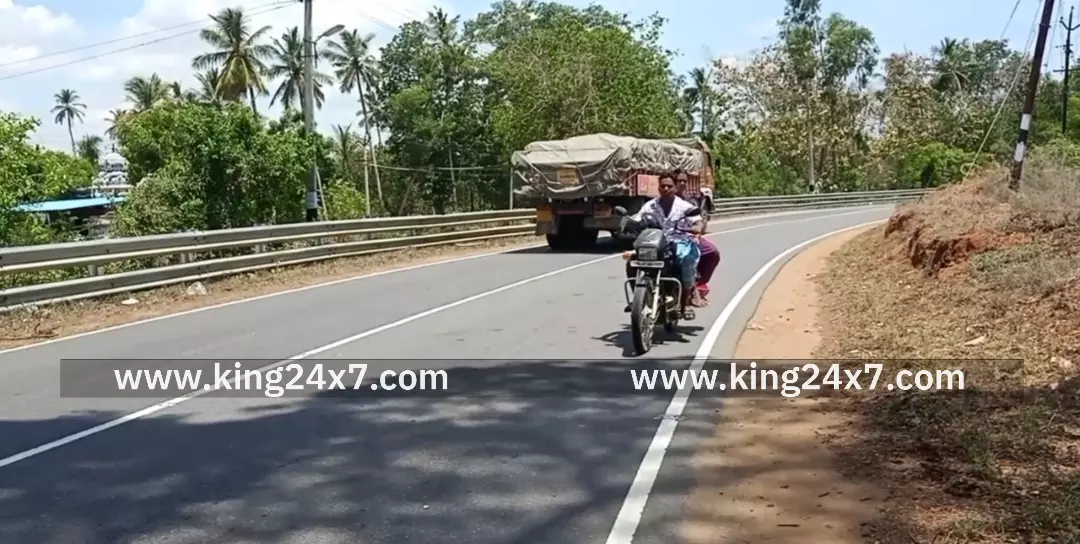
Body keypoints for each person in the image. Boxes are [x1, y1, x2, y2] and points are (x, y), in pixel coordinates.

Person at [623, 171, 702, 319]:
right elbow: (638, 218)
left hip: (678, 242)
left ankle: (685, 304)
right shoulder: (650, 206)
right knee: (632, 262)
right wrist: (628, 224)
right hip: (655, 242)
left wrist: (697, 227)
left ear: (675, 187)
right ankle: (637, 300)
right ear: (658, 187)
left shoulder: (684, 206)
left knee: (687, 261)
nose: (666, 189)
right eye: (663, 186)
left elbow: (697, 220)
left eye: (669, 186)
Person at [674, 173, 719, 307]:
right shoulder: (657, 203)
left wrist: (697, 231)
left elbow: (697, 220)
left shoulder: (689, 202)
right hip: (667, 239)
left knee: (712, 252)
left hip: (687, 237)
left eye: (684, 181)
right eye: (679, 181)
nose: (682, 184)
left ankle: (696, 286)